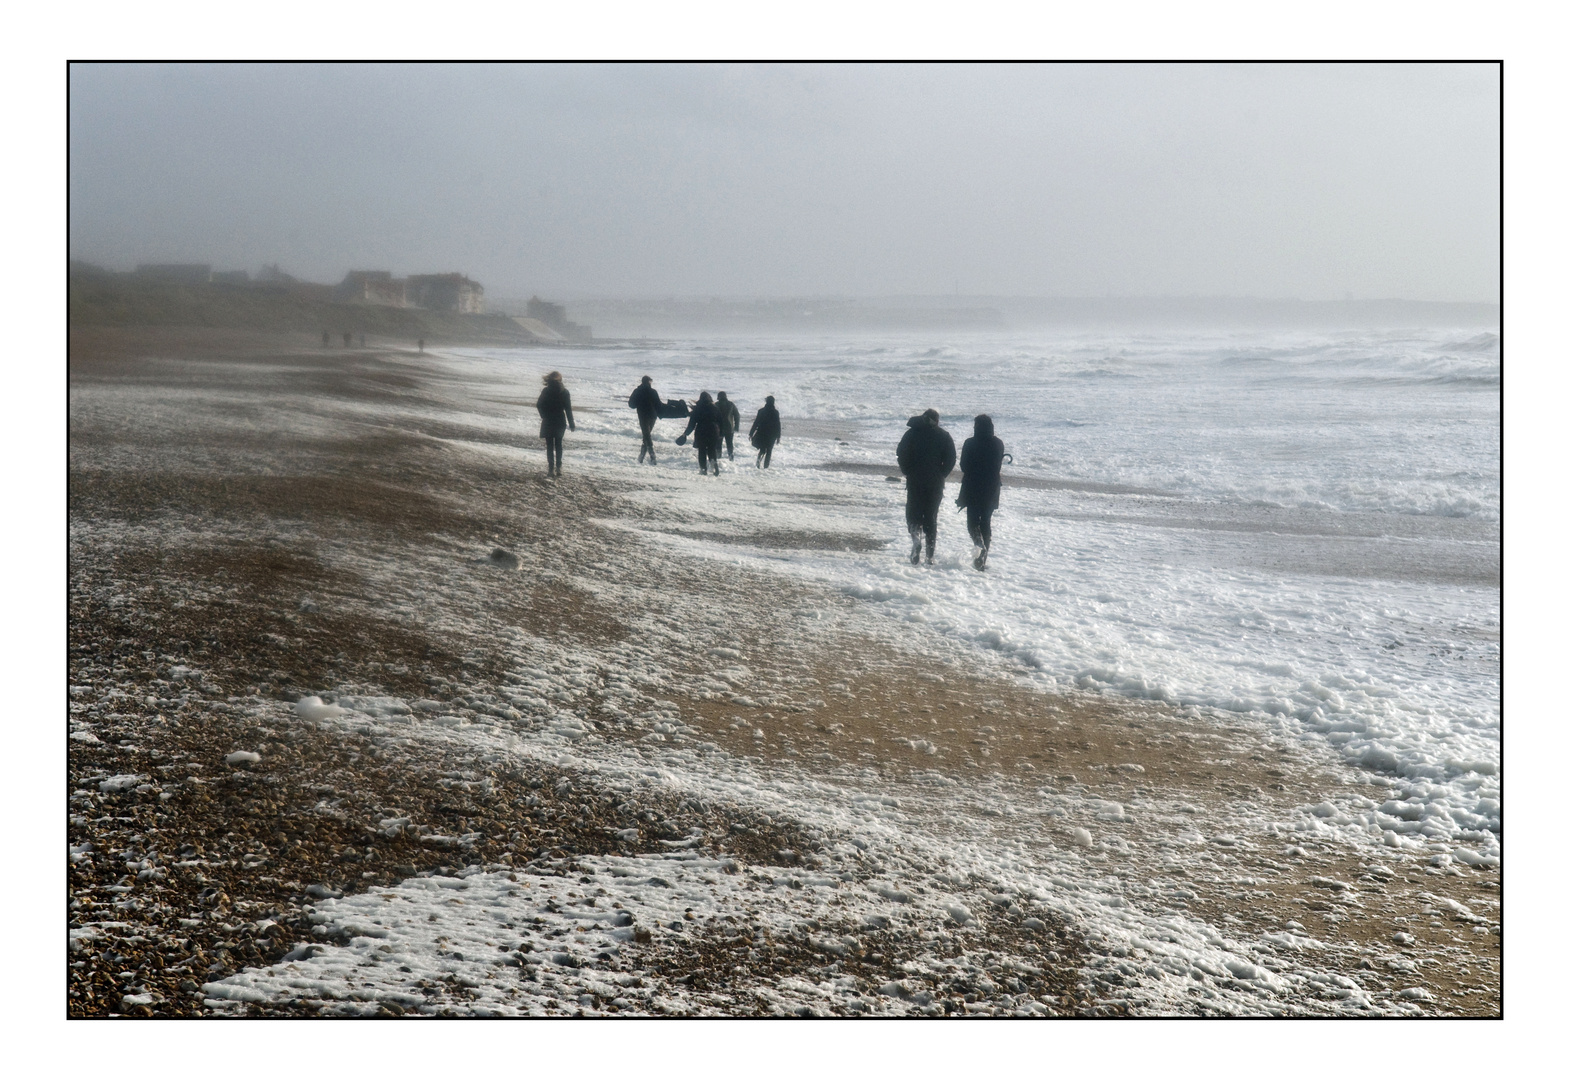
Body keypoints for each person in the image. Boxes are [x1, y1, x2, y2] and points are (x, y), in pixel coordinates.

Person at [896, 408, 956, 565]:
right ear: (936, 421)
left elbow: (901, 452)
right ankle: (930, 555)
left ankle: (916, 540)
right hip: (935, 483)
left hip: (915, 480)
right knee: (931, 517)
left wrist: (907, 471)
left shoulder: (911, 433)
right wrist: (941, 474)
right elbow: (951, 459)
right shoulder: (944, 436)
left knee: (913, 514)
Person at [956, 414, 1006, 571]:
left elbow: (964, 466)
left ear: (977, 427)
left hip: (973, 486)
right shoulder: (998, 443)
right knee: (986, 522)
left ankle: (979, 545)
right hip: (991, 488)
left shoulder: (970, 443)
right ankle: (982, 558)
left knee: (972, 523)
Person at [535, 370, 575, 477]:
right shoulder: (564, 392)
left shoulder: (546, 391)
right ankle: (559, 468)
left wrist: (544, 415)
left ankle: (551, 469)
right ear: (560, 380)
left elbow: (539, 405)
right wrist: (571, 423)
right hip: (560, 420)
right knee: (558, 444)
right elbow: (568, 409)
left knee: (549, 445)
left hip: (548, 420)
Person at [675, 391, 724, 475]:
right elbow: (721, 422)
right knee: (712, 449)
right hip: (713, 431)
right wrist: (721, 433)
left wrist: (685, 434)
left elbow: (692, 423)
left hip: (701, 431)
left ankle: (703, 469)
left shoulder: (698, 408)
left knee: (702, 451)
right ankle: (713, 462)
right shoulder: (715, 408)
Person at [627, 375, 663, 464]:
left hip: (643, 416)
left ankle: (650, 455)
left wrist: (639, 403)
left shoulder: (637, 391)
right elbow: (659, 405)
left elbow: (631, 404)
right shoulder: (653, 392)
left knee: (646, 435)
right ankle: (643, 456)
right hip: (652, 416)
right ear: (649, 382)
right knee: (647, 435)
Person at [749, 395, 782, 468]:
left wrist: (751, 433)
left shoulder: (761, 411)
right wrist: (778, 436)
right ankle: (766, 467)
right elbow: (777, 424)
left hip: (762, 433)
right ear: (773, 402)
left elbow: (756, 422)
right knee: (769, 451)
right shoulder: (775, 412)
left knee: (762, 449)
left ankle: (758, 462)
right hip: (771, 435)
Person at [716, 392, 742, 460]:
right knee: (729, 445)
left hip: (719, 429)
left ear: (719, 397)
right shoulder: (731, 404)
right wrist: (736, 427)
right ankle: (731, 458)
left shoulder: (716, 405)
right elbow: (737, 416)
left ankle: (718, 459)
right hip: (729, 428)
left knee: (718, 445)